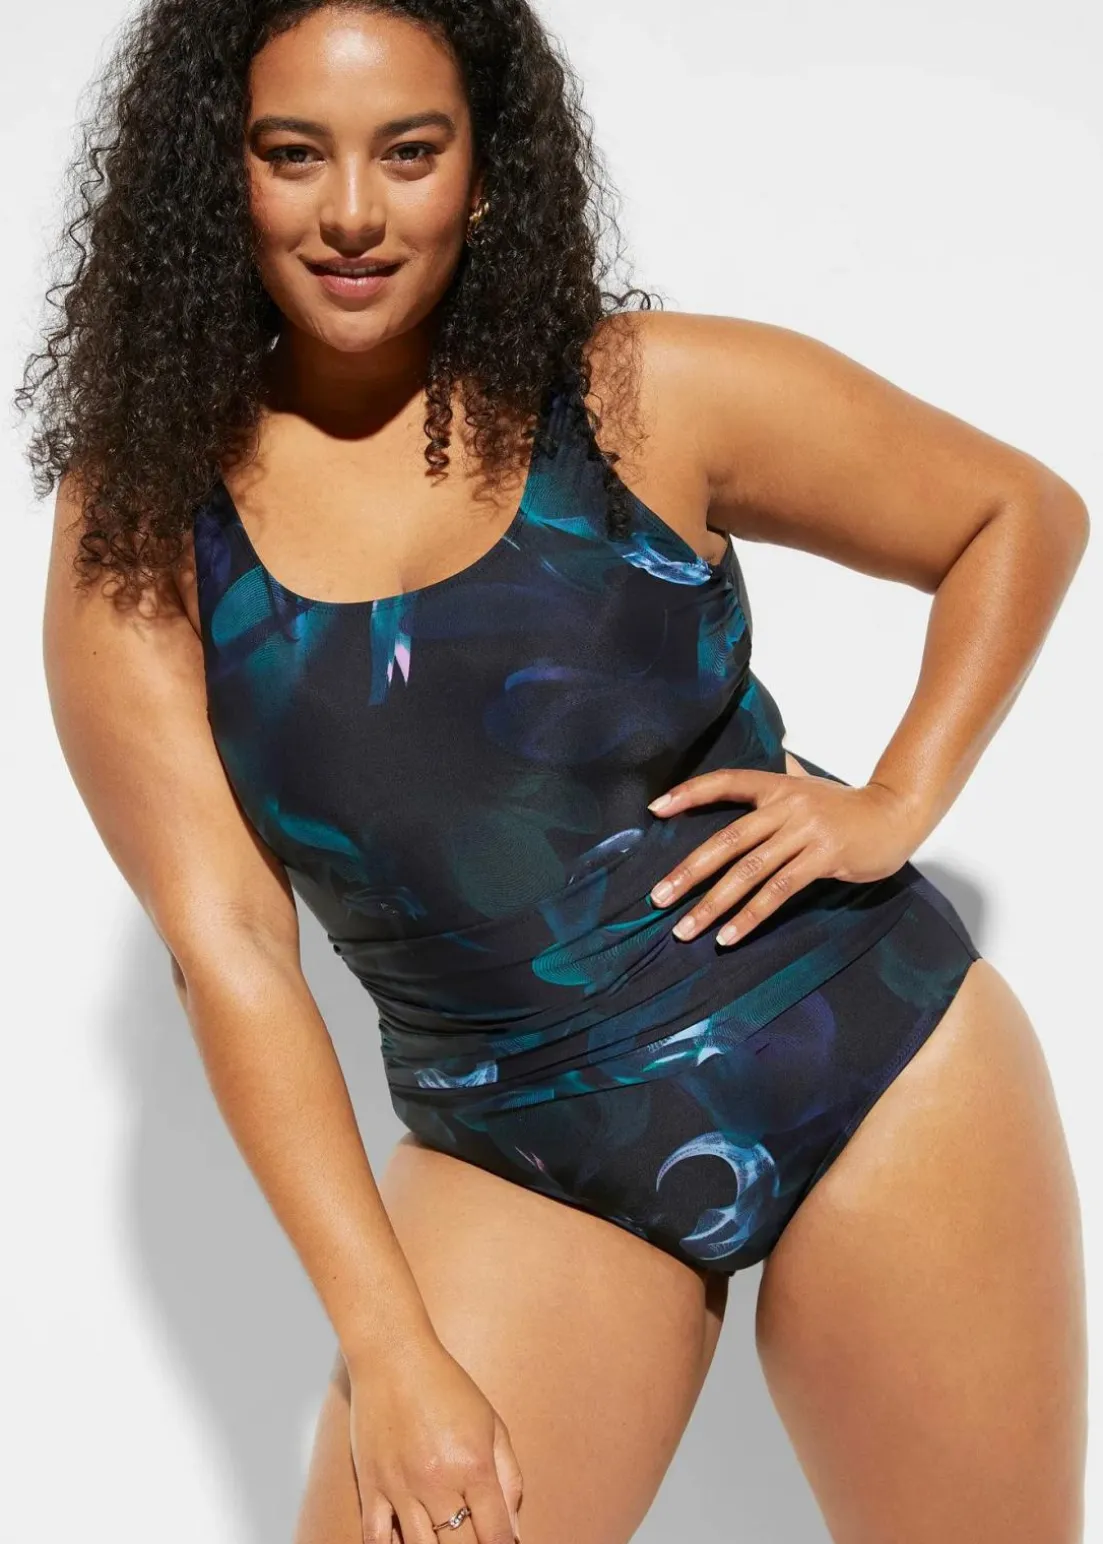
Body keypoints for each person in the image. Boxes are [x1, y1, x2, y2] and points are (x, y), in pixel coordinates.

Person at [20, 2, 1089, 1541]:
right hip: (526, 1153)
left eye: (409, 152)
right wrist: (392, 1352)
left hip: (873, 1059)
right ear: (215, 171)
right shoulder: (144, 521)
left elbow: (1012, 514)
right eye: (292, 153)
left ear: (485, 171)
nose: (352, 212)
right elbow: (231, 949)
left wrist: (896, 799)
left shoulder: (643, 395)